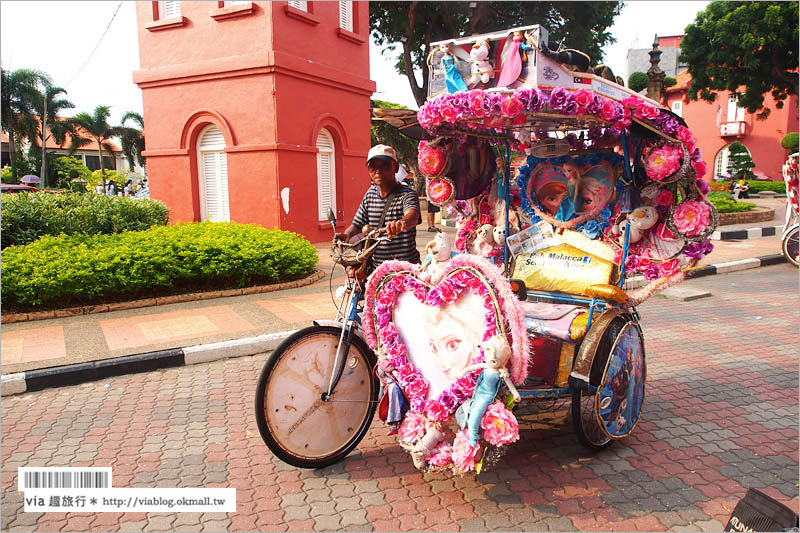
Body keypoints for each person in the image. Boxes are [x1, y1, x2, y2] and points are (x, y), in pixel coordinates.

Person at [335, 144, 421, 266]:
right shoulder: (370, 195)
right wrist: (345, 235)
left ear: (395, 167)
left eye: (385, 165)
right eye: (372, 167)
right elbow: (357, 225)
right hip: (377, 269)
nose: (378, 171)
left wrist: (400, 224)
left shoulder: (407, 194)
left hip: (405, 269)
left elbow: (412, 216)